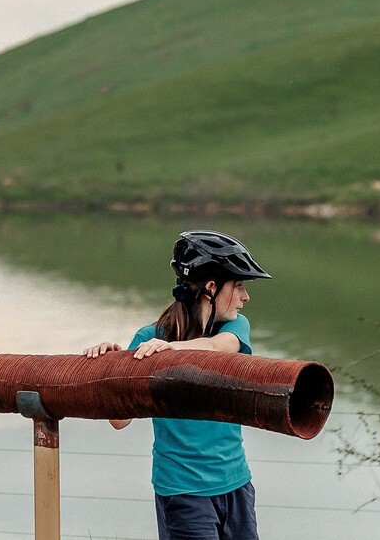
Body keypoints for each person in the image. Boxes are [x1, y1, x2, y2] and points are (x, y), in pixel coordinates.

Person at [83, 229, 272, 540]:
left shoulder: (235, 327)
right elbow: (119, 420)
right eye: (238, 286)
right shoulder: (148, 338)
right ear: (211, 287)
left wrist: (170, 350)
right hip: (183, 491)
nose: (245, 297)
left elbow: (215, 348)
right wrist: (111, 363)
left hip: (236, 484)